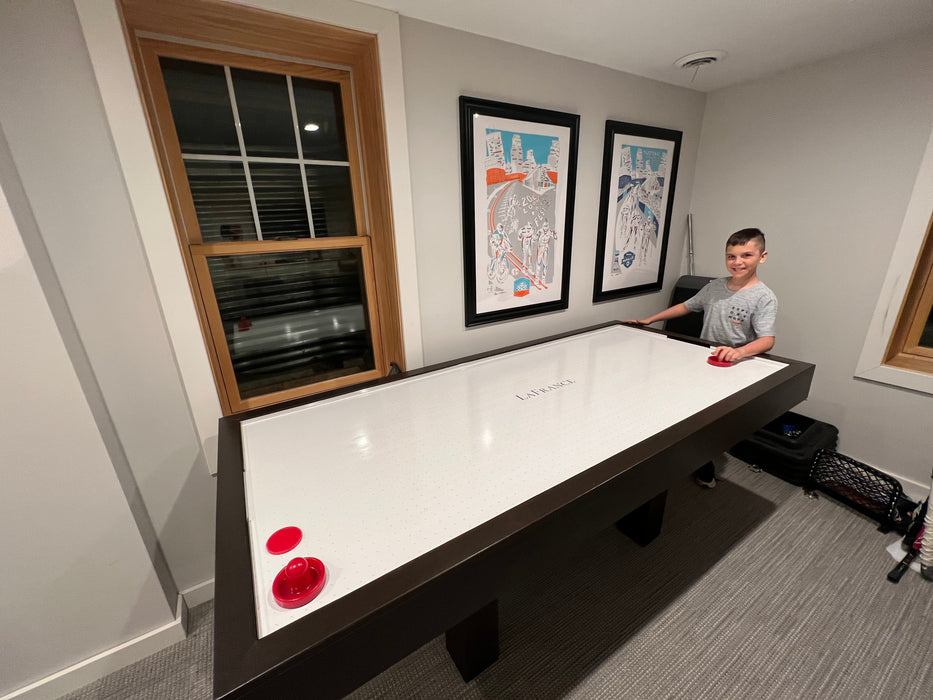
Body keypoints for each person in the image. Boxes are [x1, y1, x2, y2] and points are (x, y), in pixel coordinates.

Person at [627, 227, 777, 488]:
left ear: (762, 257)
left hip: (733, 367)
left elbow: (767, 339)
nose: (738, 262)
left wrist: (739, 351)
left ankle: (704, 463)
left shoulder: (764, 297)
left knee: (711, 423)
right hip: (703, 360)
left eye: (746, 255)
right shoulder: (715, 286)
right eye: (731, 256)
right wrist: (650, 319)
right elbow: (687, 306)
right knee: (685, 410)